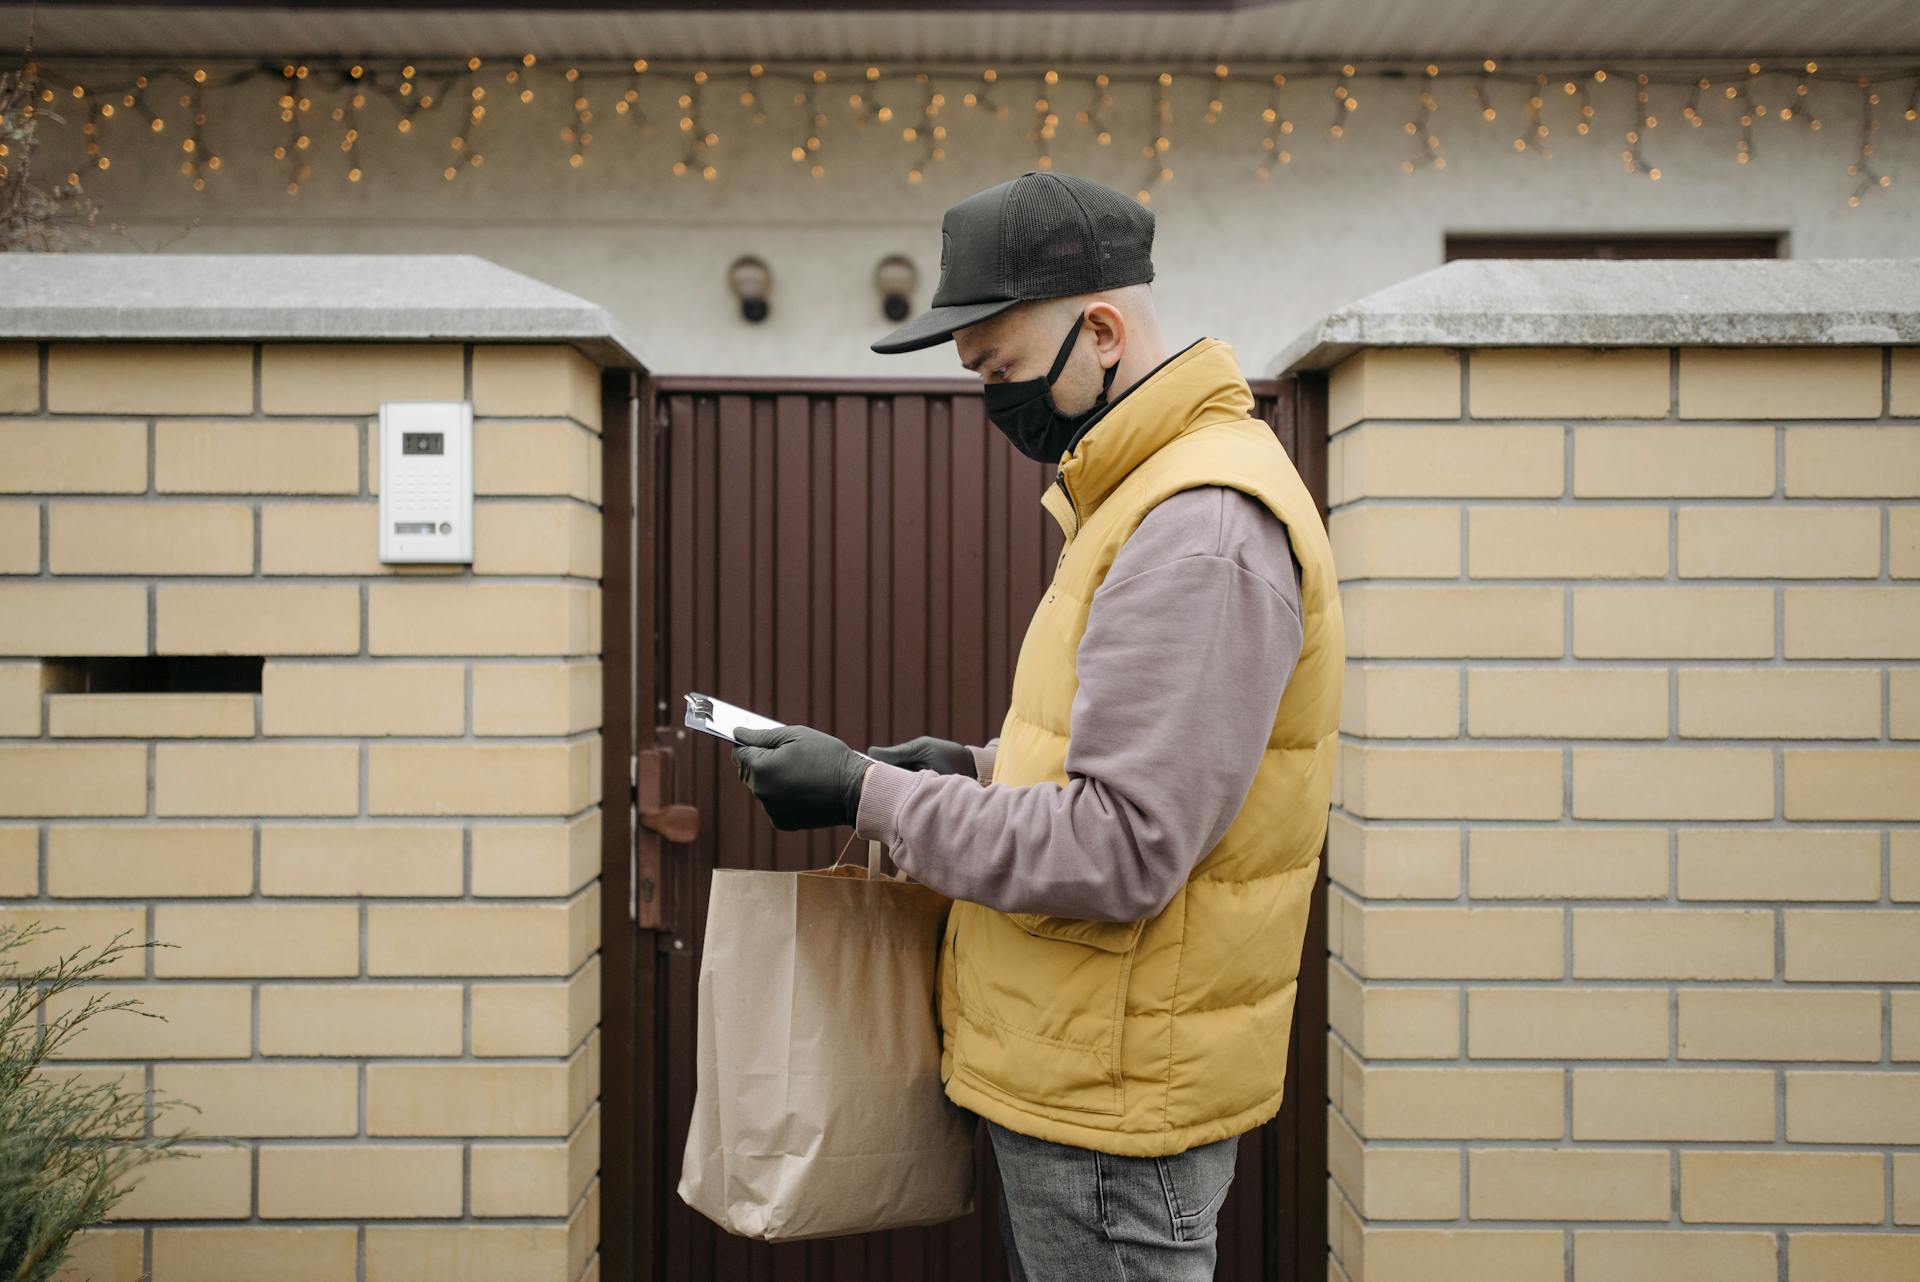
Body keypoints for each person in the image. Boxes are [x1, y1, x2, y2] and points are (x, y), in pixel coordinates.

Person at [730, 169, 1343, 1281]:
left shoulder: (1197, 524)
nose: (992, 404)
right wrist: (967, 766)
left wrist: (865, 795)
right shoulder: (1147, 497)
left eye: (1001, 371)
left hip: (1108, 1106)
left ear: (1101, 332)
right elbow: (1127, 769)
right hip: (1082, 1071)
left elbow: (1123, 847)